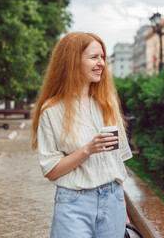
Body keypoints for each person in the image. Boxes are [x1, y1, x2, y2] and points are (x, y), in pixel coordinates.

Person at [31, 32, 132, 238]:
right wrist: (87, 150)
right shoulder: (51, 110)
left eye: (102, 57)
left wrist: (123, 207)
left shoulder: (108, 102)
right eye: (94, 57)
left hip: (112, 201)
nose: (101, 63)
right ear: (72, 61)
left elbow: (116, 162)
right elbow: (51, 170)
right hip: (73, 204)